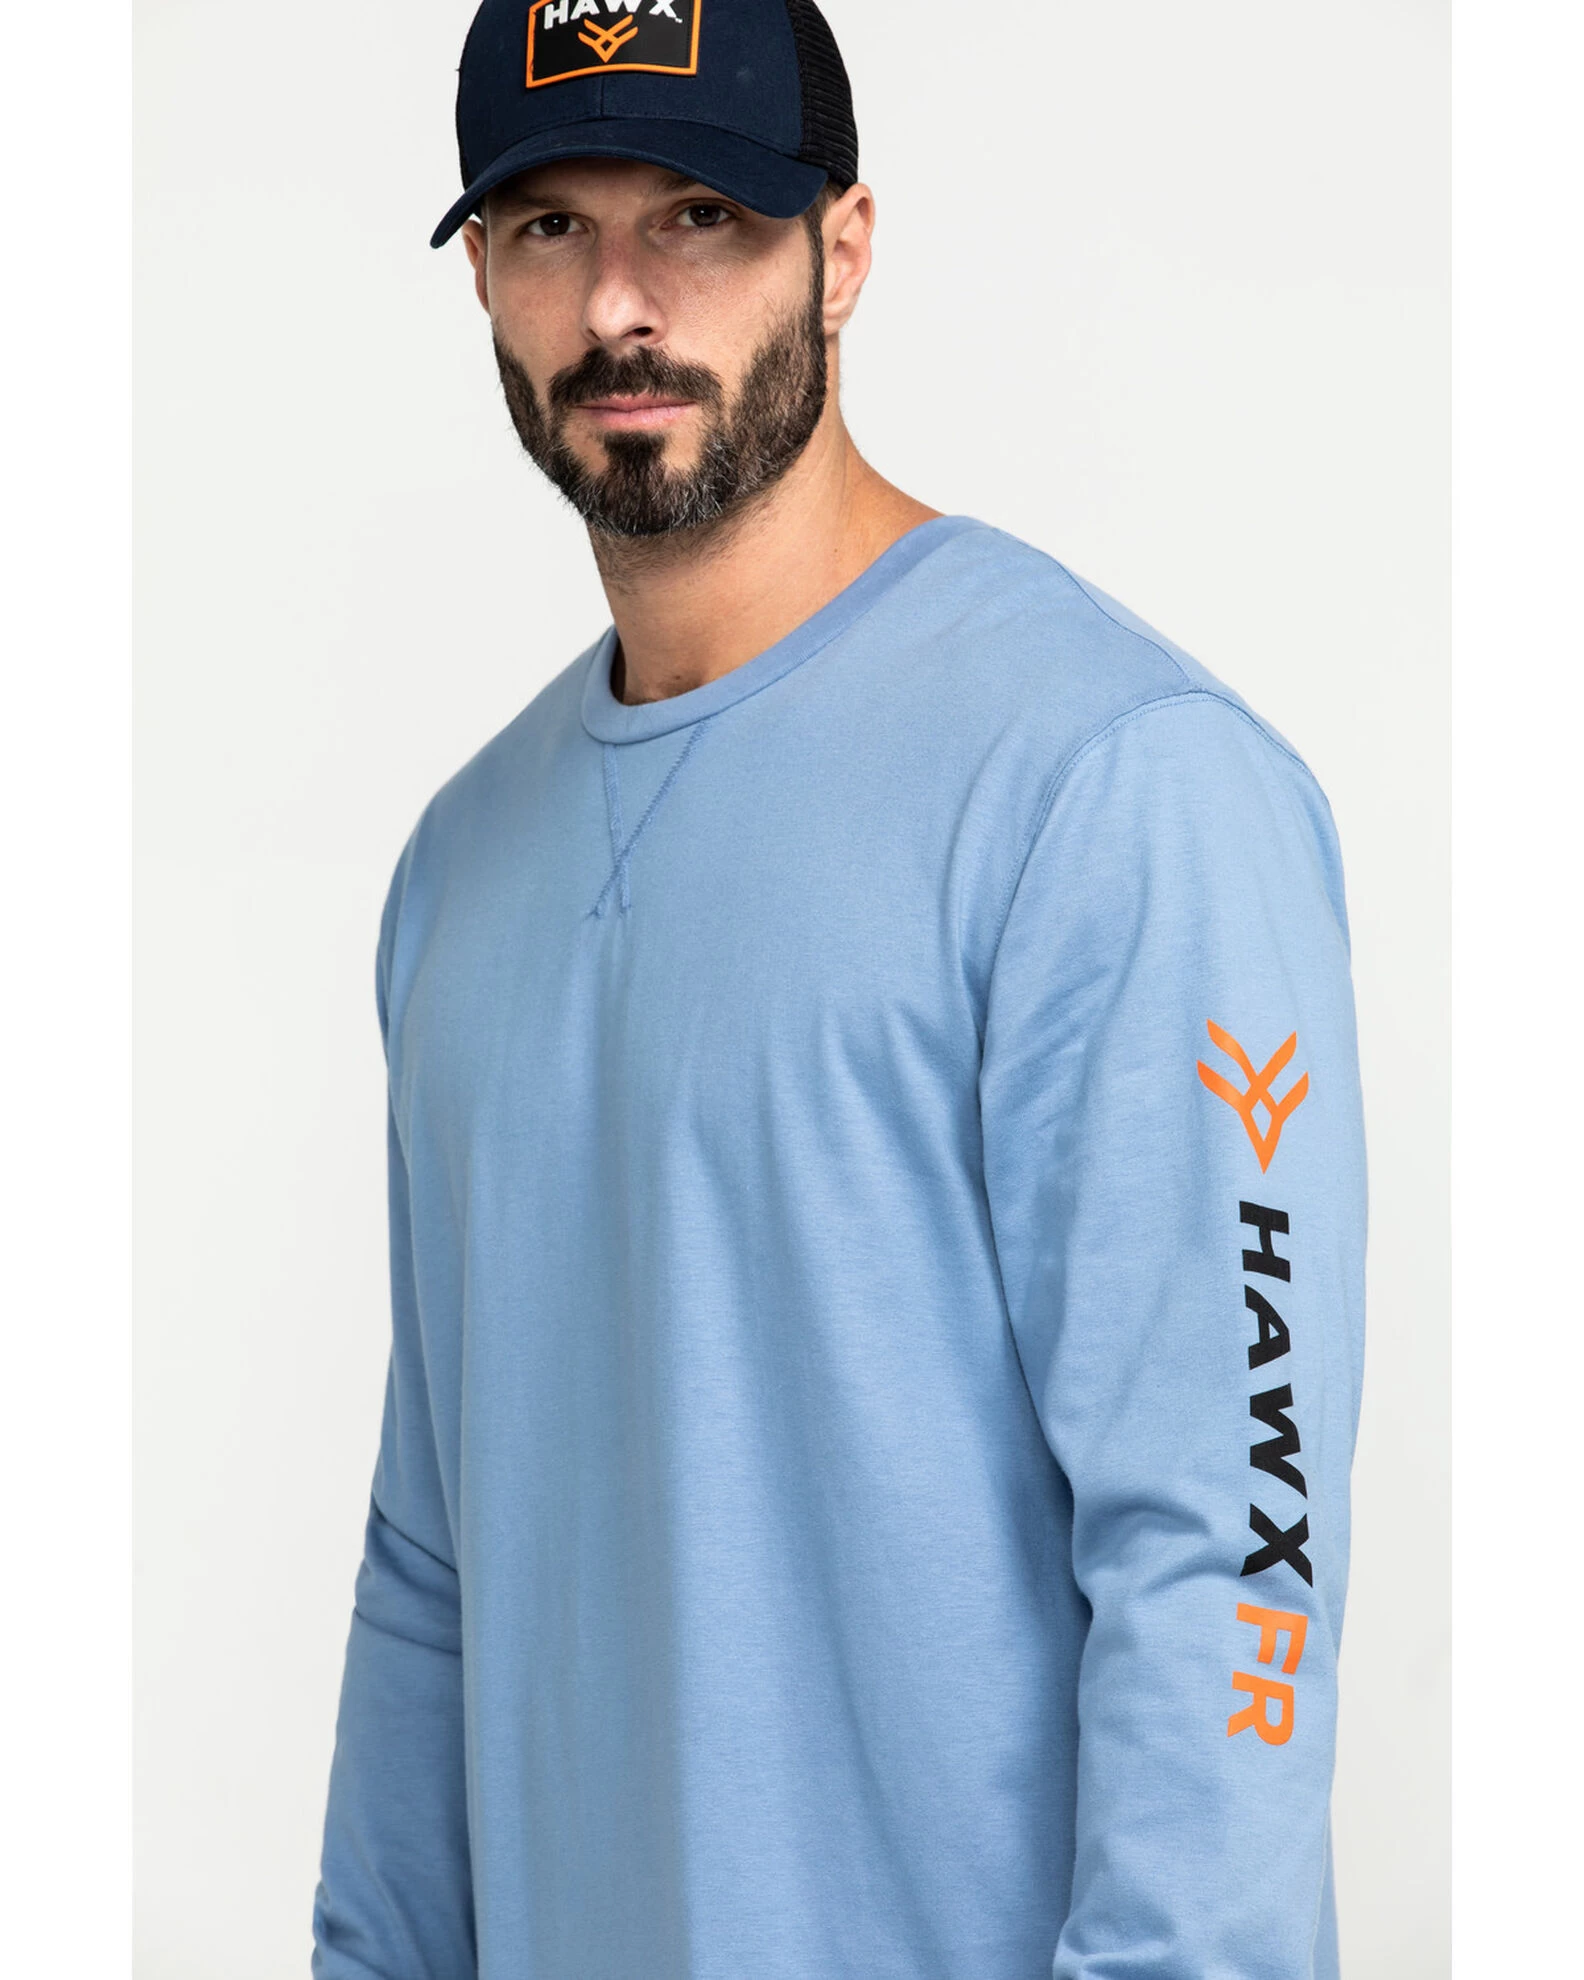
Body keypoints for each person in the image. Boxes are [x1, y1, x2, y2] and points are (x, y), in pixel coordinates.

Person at [311, 2, 1367, 1975]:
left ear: (844, 247)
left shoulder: (1114, 787)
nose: (621, 304)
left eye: (700, 214)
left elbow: (1230, 1559)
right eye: (550, 226)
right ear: (482, 276)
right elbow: (433, 1568)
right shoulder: (461, 870)